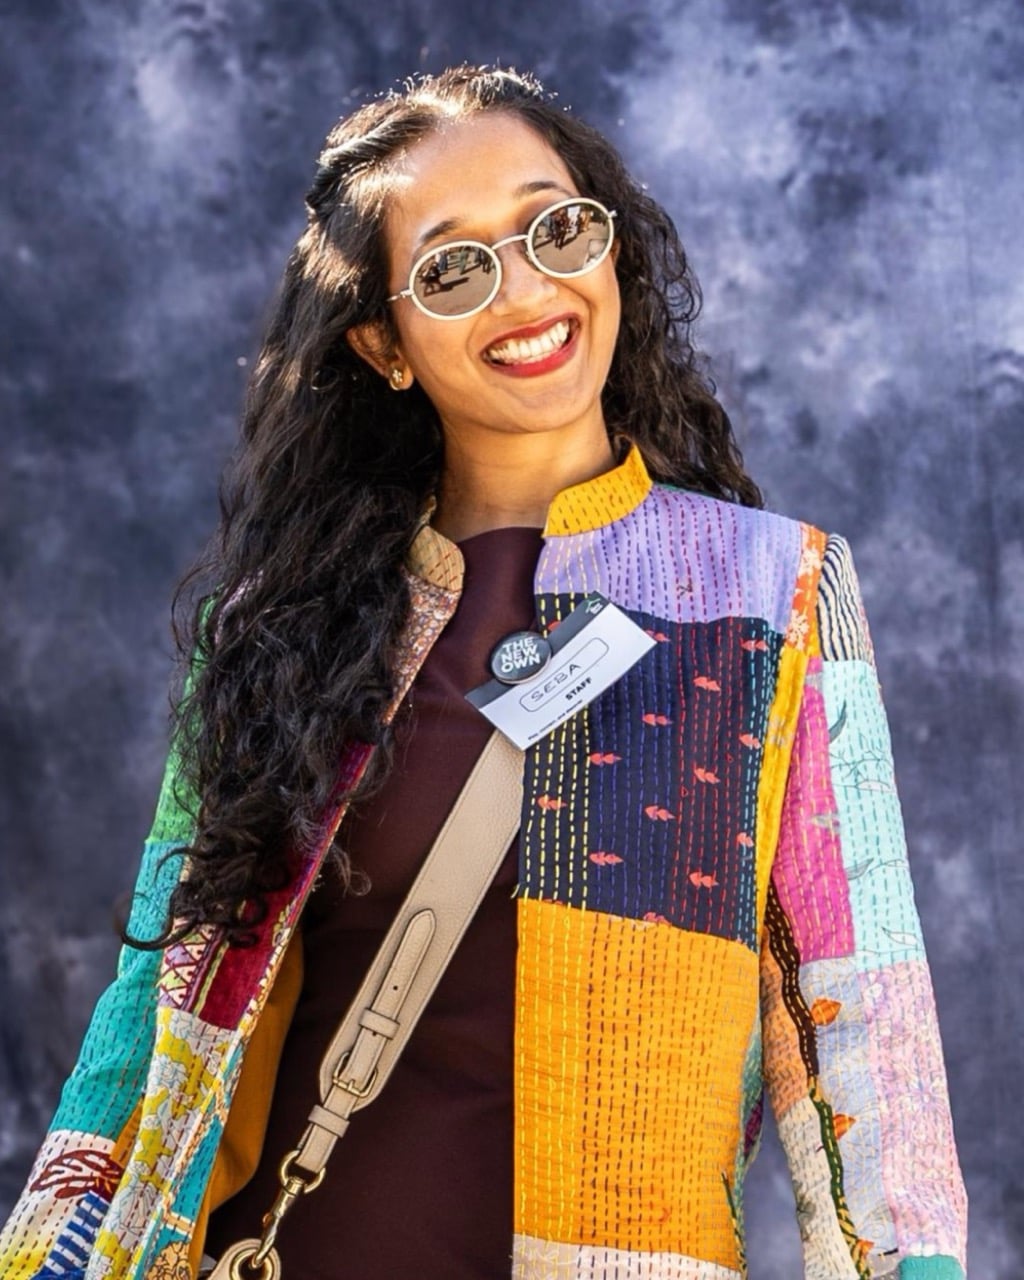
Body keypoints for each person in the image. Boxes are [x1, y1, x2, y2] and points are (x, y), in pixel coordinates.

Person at [0, 65, 967, 1280]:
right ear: (383, 341)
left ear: (611, 250)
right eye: (454, 268)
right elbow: (153, 1005)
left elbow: (861, 1029)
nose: (526, 288)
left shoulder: (772, 597)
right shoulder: (278, 627)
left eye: (556, 229)